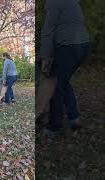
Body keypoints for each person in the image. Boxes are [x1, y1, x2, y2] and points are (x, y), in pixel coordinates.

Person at [39, 0, 90, 136]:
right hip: (83, 46)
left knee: (56, 87)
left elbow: (48, 30)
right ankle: (74, 117)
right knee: (63, 82)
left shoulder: (53, 3)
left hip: (69, 47)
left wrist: (44, 57)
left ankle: (54, 127)